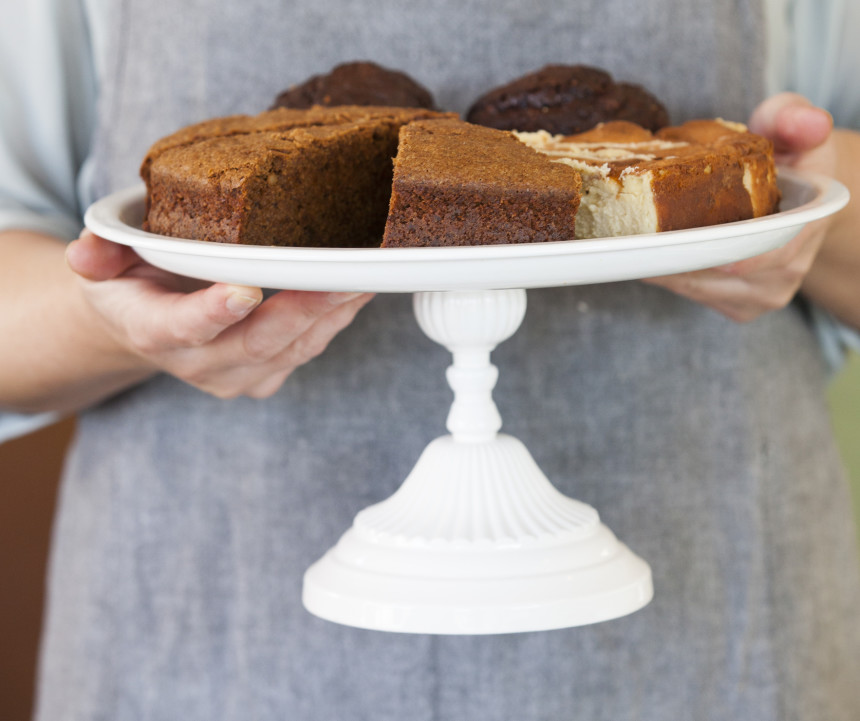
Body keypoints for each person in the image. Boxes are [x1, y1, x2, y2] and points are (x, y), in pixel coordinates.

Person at [2, 0, 859, 719]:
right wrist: (116, 315)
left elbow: (822, 197)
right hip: (207, 634)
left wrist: (799, 215)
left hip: (713, 625)